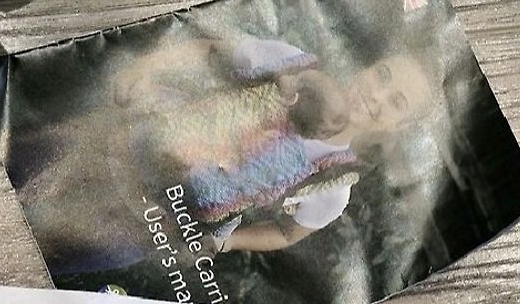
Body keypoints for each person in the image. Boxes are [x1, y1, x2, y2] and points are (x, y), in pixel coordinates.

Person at [113, 36, 438, 254]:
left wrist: (226, 242)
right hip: (133, 143)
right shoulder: (293, 66)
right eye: (383, 75)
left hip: (156, 222)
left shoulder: (334, 184)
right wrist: (144, 67)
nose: (376, 94)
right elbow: (210, 48)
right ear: (370, 65)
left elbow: (287, 233)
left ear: (398, 126)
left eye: (396, 102)